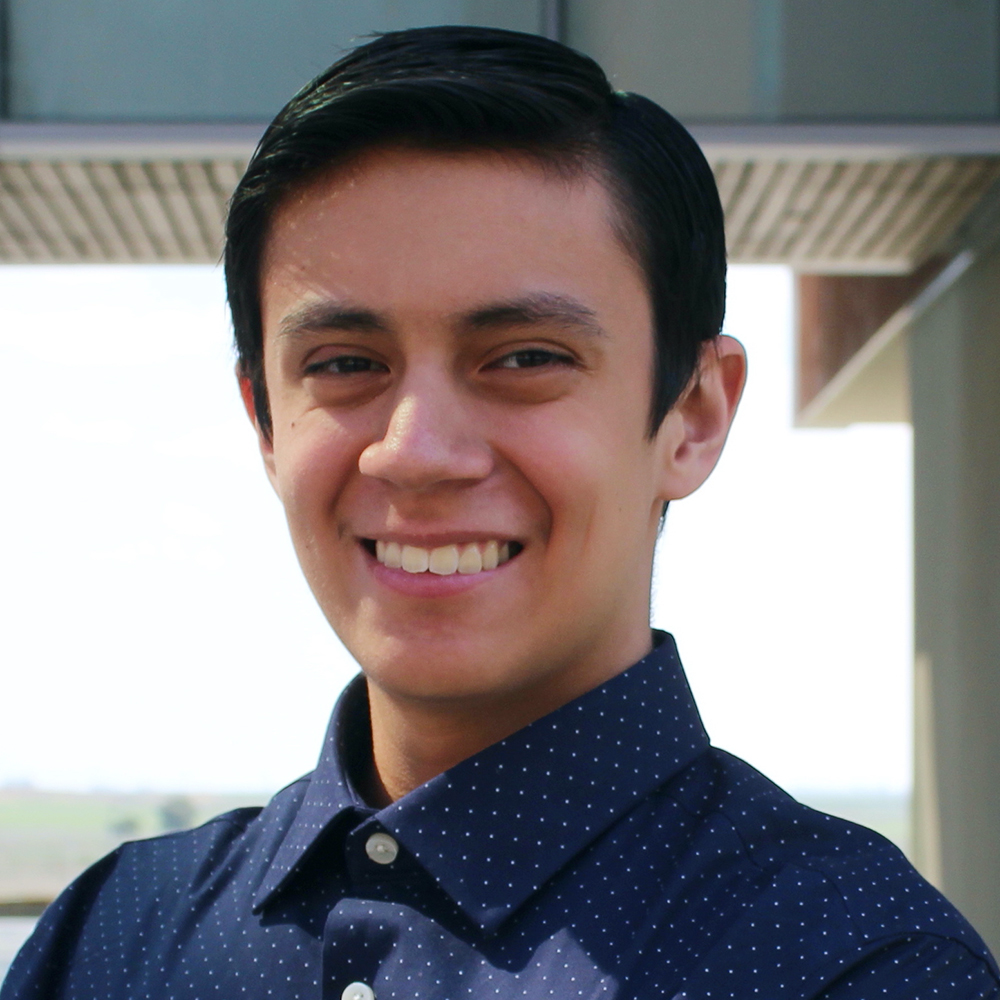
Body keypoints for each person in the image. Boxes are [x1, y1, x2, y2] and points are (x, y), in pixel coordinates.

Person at [3, 25, 997, 1000]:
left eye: (523, 357)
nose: (415, 450)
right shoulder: (111, 938)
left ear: (691, 416)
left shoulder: (848, 961)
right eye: (345, 364)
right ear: (264, 419)